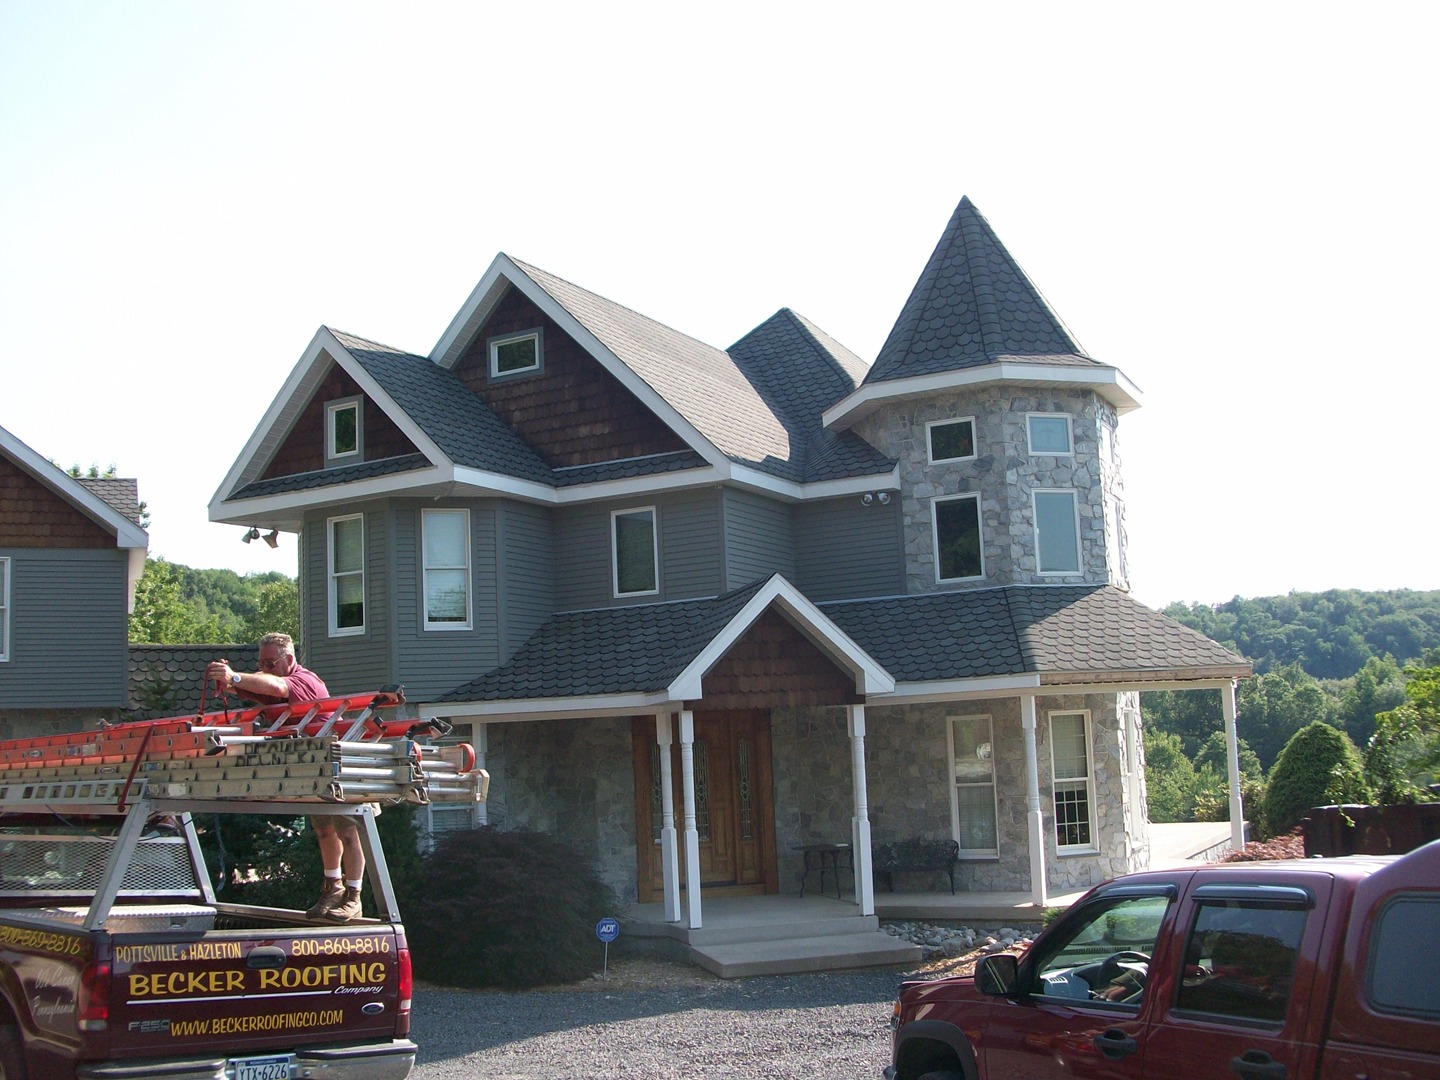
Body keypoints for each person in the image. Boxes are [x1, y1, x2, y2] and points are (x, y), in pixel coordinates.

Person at [205, 633, 364, 923]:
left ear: (289, 660)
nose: (263, 668)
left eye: (269, 662)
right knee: (324, 830)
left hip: (337, 763)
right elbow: (261, 684)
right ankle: (334, 888)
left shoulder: (304, 681)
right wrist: (227, 680)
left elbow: (277, 685)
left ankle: (354, 897)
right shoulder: (273, 680)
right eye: (260, 662)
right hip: (312, 767)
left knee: (347, 830)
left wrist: (236, 678)